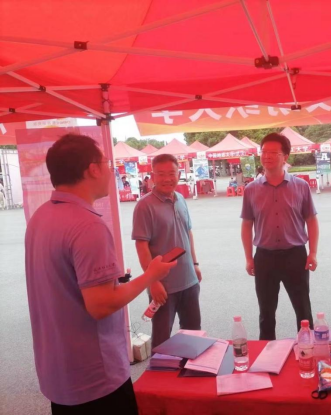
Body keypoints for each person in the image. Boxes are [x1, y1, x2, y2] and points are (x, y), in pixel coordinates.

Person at [25, 134, 175, 414]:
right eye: (107, 163)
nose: (110, 171)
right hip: (95, 376)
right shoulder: (88, 226)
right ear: (93, 169)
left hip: (59, 372)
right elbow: (101, 304)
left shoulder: (41, 216)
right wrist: (151, 275)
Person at [241, 133, 319, 340]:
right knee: (266, 313)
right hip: (264, 257)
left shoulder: (300, 186)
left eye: (273, 152)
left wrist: (313, 253)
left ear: (285, 156)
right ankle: (267, 354)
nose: (267, 156)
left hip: (295, 256)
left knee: (303, 309)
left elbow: (311, 220)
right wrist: (249, 257)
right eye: (264, 152)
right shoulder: (251, 190)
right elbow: (247, 225)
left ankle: (307, 348)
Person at [132, 154, 203, 348]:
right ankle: (159, 369)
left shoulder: (180, 199)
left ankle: (189, 368)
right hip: (163, 287)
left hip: (189, 281)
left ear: (179, 174)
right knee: (162, 340)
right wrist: (152, 281)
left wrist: (195, 264)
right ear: (152, 176)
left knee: (193, 335)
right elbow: (141, 245)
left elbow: (188, 232)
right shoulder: (144, 206)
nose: (167, 179)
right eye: (161, 174)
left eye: (171, 173)